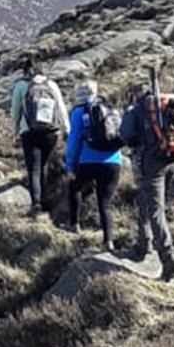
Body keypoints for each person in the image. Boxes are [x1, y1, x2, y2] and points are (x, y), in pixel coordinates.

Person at [120, 81, 174, 280]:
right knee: (151, 201)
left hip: (152, 162)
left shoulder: (137, 110)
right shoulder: (168, 103)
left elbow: (127, 136)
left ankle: (168, 256)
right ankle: (143, 242)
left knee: (155, 208)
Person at [63, 81, 124, 251]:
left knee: (74, 187)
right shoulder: (111, 109)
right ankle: (108, 241)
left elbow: (74, 141)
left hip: (87, 161)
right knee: (105, 203)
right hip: (113, 162)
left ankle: (74, 224)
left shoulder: (79, 112)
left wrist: (70, 166)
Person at [6, 59, 66, 217]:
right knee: (44, 166)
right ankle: (46, 200)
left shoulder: (21, 86)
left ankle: (36, 203)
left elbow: (15, 111)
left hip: (30, 132)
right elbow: (61, 107)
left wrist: (14, 131)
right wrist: (67, 129)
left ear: (25, 70)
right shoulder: (51, 84)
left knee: (34, 168)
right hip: (51, 132)